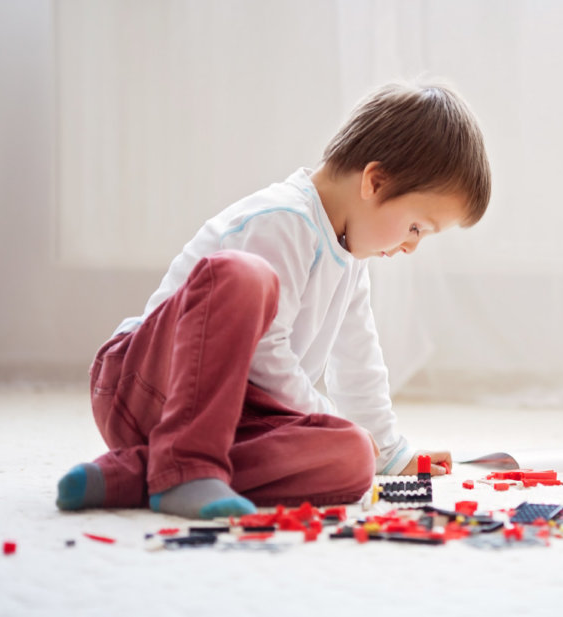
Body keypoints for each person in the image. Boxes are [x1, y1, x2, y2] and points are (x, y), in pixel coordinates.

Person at [55, 81, 491, 519]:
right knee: (242, 276)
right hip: (148, 385)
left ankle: (140, 474)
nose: (412, 246)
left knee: (353, 456)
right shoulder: (282, 219)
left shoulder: (352, 259)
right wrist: (322, 414)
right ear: (374, 182)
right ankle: (184, 465)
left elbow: (358, 360)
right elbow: (266, 355)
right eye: (417, 227)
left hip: (232, 417)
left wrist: (388, 450)